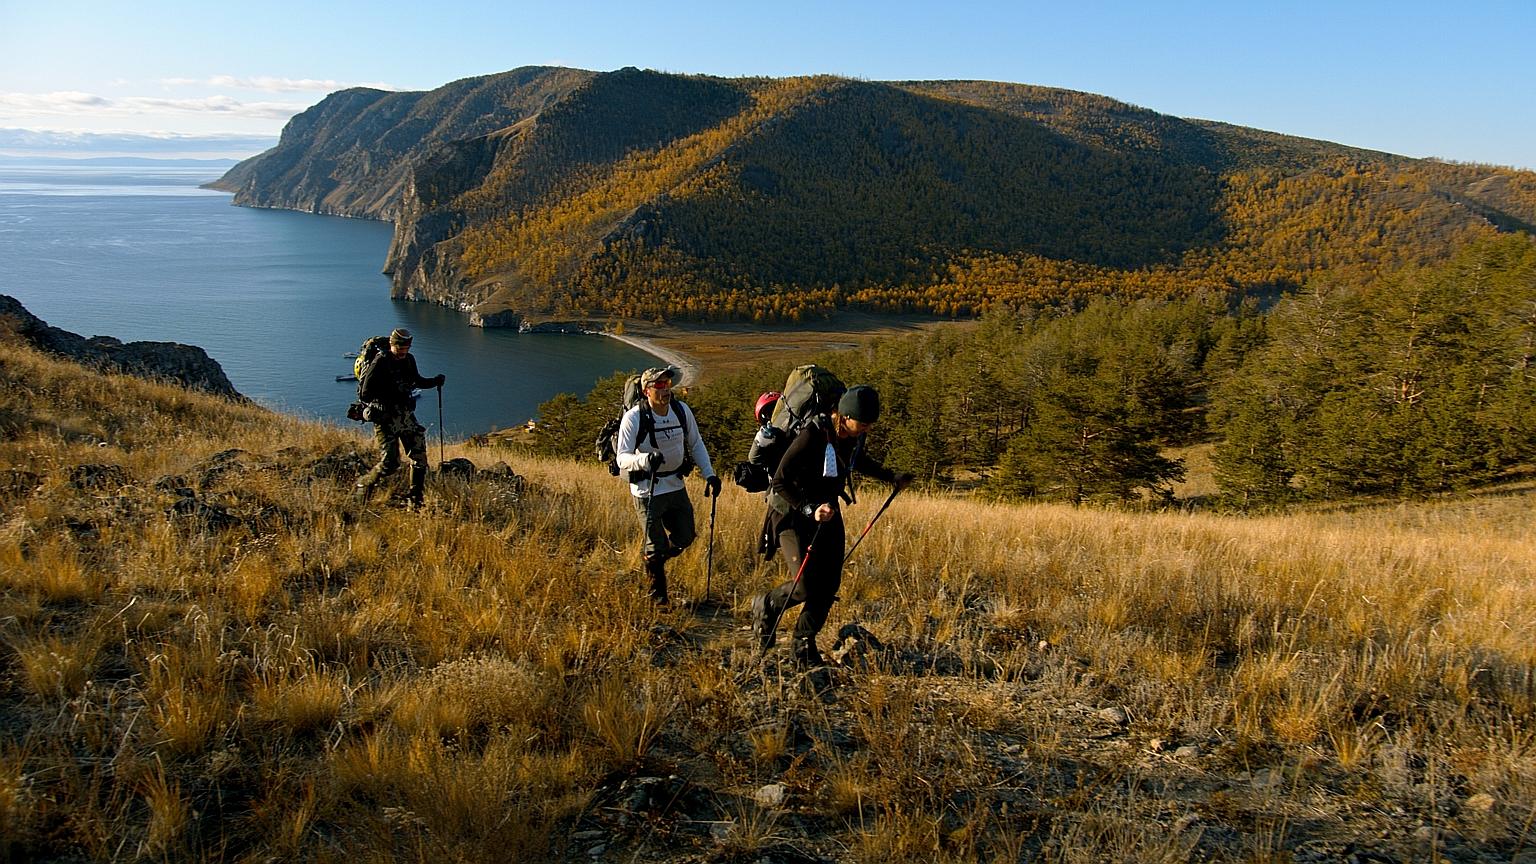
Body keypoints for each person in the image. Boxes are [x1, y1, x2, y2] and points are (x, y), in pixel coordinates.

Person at [752, 385, 912, 667]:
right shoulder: (812, 434)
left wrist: (891, 476)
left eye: (869, 425)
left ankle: (803, 643)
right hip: (791, 512)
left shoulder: (851, 437)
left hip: (828, 512)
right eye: (862, 424)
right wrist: (809, 509)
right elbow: (780, 480)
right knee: (804, 586)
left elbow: (856, 460)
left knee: (828, 584)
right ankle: (767, 605)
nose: (866, 430)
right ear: (845, 416)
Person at [615, 366, 721, 605]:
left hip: (675, 485)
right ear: (646, 391)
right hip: (646, 489)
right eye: (659, 386)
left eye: (668, 384)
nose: (665, 390)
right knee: (655, 546)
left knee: (685, 535)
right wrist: (644, 459)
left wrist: (710, 475)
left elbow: (696, 443)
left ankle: (657, 559)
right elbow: (622, 457)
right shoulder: (634, 417)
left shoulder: (681, 411)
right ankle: (658, 601)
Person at [353, 328, 444, 506]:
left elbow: (417, 380)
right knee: (390, 463)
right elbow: (365, 394)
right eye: (399, 349)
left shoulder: (408, 360)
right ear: (392, 345)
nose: (403, 353)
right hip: (385, 417)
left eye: (406, 349)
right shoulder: (380, 362)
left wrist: (434, 381)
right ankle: (364, 484)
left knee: (419, 458)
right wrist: (392, 393)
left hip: (405, 415)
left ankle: (415, 501)